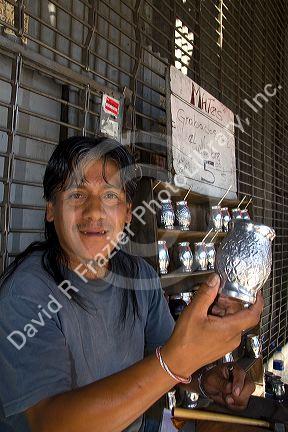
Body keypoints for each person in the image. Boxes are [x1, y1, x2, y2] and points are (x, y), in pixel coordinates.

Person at [0, 136, 263, 432]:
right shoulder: (26, 293)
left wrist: (205, 379)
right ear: (51, 209)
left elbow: (164, 353)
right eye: (76, 194)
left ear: (127, 212)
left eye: (110, 196)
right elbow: (51, 423)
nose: (94, 212)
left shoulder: (140, 277)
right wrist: (176, 361)